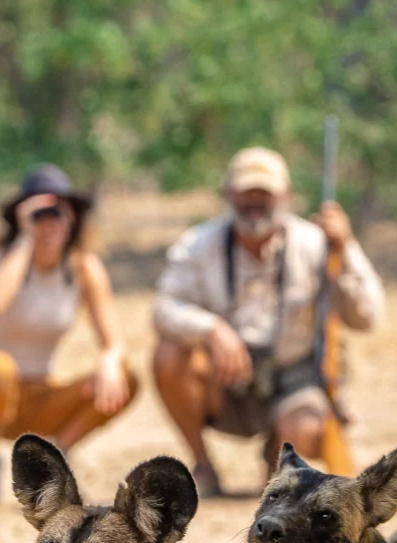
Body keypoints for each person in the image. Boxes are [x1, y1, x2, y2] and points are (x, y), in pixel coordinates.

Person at [153, 147, 384, 497]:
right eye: (247, 192)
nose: (255, 201)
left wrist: (346, 247)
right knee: (168, 355)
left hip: (290, 381)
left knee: (309, 427)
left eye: (266, 193)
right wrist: (213, 330)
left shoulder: (316, 243)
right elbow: (163, 308)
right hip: (224, 379)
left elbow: (367, 317)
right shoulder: (199, 243)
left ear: (286, 197)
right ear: (228, 195)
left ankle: (277, 459)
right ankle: (203, 465)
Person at [0, 164, 138, 501]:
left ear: (73, 220)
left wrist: (109, 359)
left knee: (128, 377)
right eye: (40, 213)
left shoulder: (82, 267)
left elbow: (114, 342)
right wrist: (26, 238)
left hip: (41, 397)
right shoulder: (1, 257)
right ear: (22, 217)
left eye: (58, 213)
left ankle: (56, 456)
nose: (49, 223)